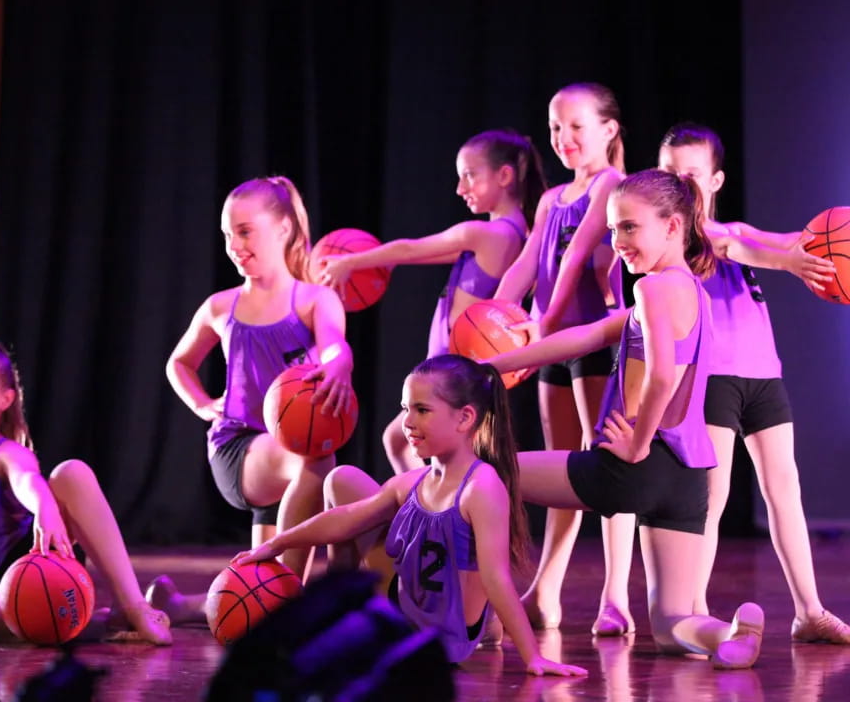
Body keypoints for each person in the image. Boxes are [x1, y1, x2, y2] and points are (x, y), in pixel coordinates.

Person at [489, 169, 765, 670]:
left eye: (630, 228)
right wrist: (495, 364)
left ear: (674, 226)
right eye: (613, 229)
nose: (617, 242)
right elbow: (591, 335)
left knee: (490, 474)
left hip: (637, 465)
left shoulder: (655, 291)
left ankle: (477, 613)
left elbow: (662, 376)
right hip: (687, 477)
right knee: (671, 623)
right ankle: (729, 632)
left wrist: (637, 442)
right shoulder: (694, 293)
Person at [234, 354, 587, 676]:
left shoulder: (482, 487)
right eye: (405, 409)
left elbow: (497, 578)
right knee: (342, 481)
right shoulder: (412, 482)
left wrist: (533, 657)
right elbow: (345, 518)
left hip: (445, 633)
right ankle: (341, 615)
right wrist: (277, 544)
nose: (408, 423)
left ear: (465, 417)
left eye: (422, 410)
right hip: (409, 609)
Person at [658, 122, 850, 642]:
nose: (680, 184)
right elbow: (742, 245)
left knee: (785, 491)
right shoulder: (689, 240)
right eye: (669, 174)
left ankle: (809, 611)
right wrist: (787, 260)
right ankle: (691, 608)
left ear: (715, 181)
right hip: (714, 379)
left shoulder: (733, 228)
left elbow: (778, 240)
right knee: (712, 498)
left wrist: (808, 250)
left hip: (765, 379)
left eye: (691, 175)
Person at [162, 176, 354, 583]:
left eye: (245, 231)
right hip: (240, 450)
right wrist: (202, 403)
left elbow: (335, 344)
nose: (234, 244)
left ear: (283, 228)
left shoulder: (315, 300)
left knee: (254, 587)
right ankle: (288, 598)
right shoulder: (220, 306)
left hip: (288, 447)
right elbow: (178, 363)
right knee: (317, 460)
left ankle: (181, 606)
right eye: (228, 234)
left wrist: (339, 364)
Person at [494, 82, 634, 635]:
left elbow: (576, 260)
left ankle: (615, 595)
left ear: (608, 130)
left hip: (591, 341)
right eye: (555, 127)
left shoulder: (613, 185)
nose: (564, 138)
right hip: (548, 343)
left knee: (605, 465)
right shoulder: (552, 200)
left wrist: (537, 331)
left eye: (576, 126)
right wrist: (494, 320)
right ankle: (545, 590)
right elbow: (527, 267)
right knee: (563, 469)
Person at [318, 129, 542, 474]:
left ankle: (436, 521)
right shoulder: (505, 236)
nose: (460, 188)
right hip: (452, 369)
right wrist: (378, 260)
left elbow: (410, 248)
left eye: (469, 175)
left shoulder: (489, 234)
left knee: (426, 451)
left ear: (505, 176)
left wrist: (350, 261)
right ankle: (429, 519)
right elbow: (411, 255)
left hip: (456, 372)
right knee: (405, 443)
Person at [0, 343, 171, 644]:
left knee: (72, 472)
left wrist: (44, 509)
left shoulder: (7, 453)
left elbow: (28, 480)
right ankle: (85, 622)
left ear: (6, 398)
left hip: (40, 560)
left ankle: (133, 606)